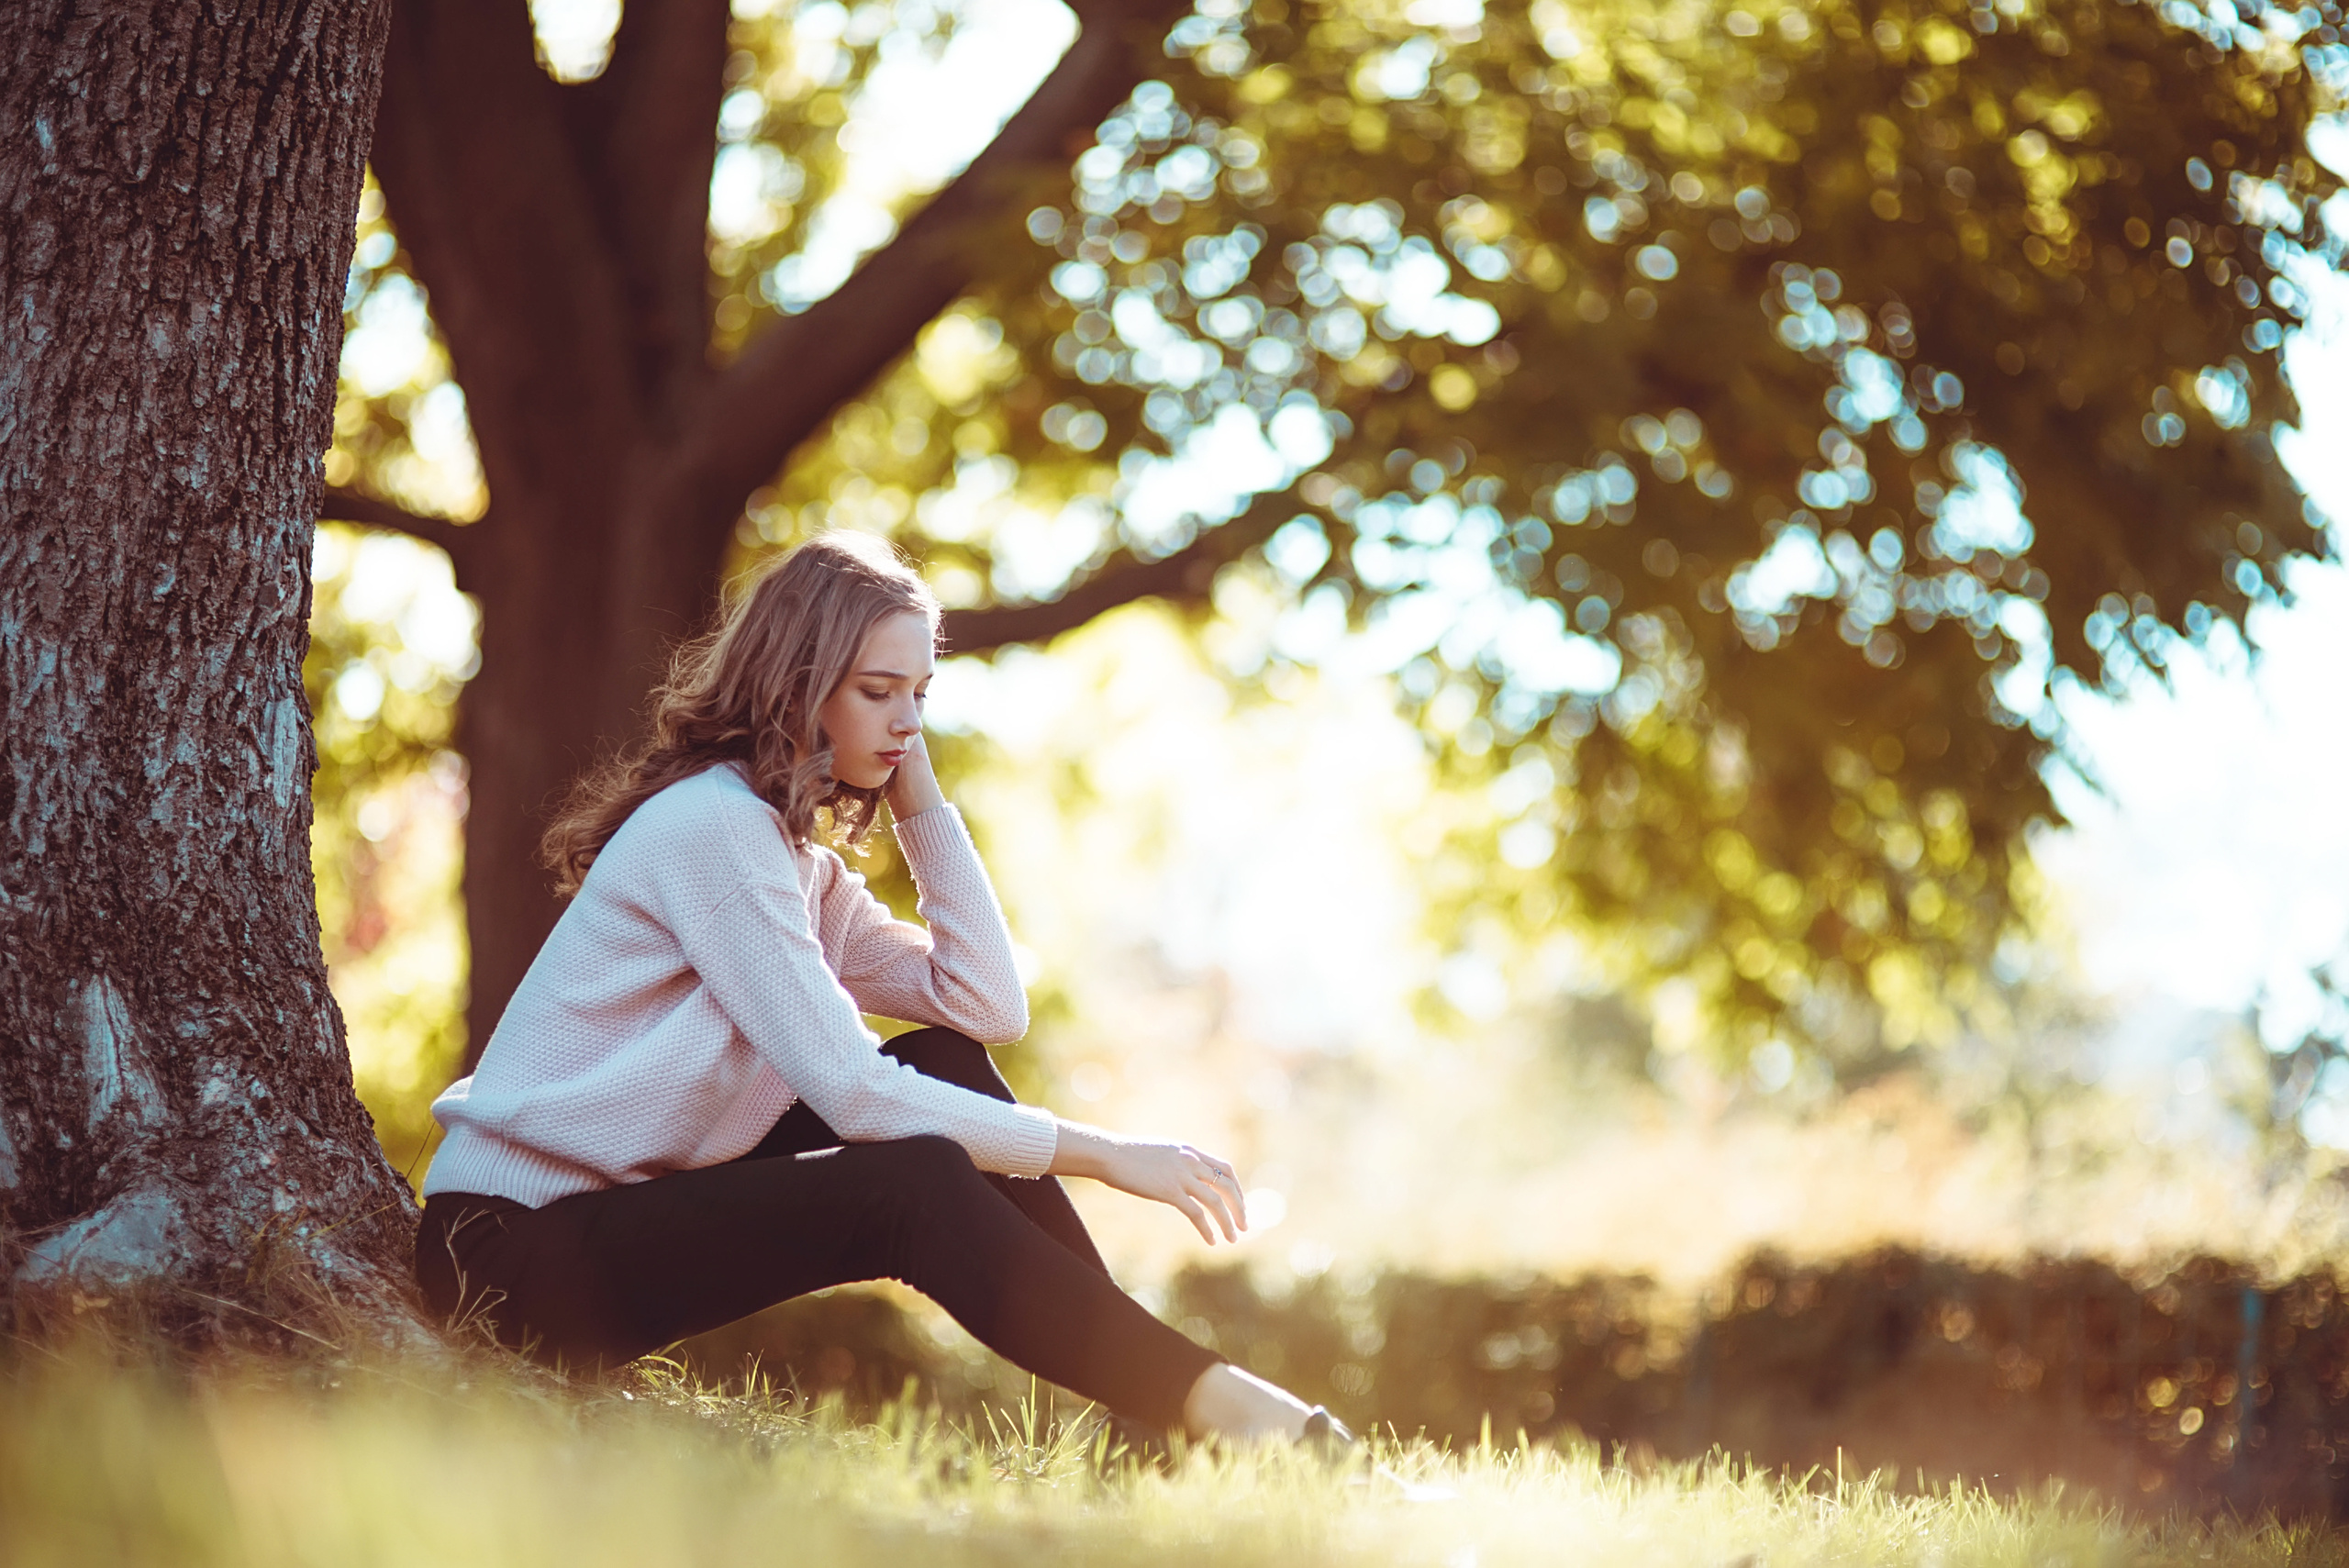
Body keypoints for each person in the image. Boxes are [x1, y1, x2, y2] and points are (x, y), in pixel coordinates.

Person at [414, 531, 1348, 1448]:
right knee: (909, 1177)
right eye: (877, 691)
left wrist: (917, 795)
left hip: (596, 1226)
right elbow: (856, 1093)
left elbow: (984, 1007)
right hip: (504, 1255)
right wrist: (1105, 1153)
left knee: (941, 1061)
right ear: (796, 684)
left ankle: (1151, 1417)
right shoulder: (714, 829)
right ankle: (1209, 1406)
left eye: (920, 695)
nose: (908, 720)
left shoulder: (793, 863)